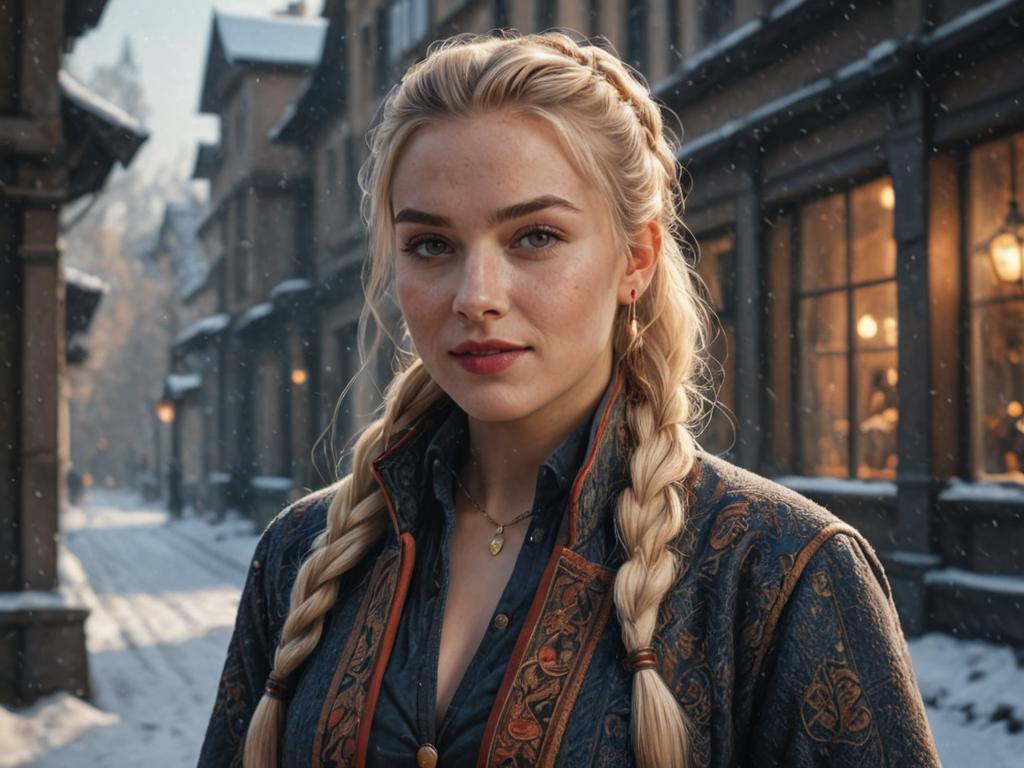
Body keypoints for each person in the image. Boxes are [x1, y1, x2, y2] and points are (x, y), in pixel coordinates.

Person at [198, 31, 940, 768]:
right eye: (431, 245)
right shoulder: (301, 557)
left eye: (536, 237)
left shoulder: (779, 574)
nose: (476, 296)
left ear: (636, 260)